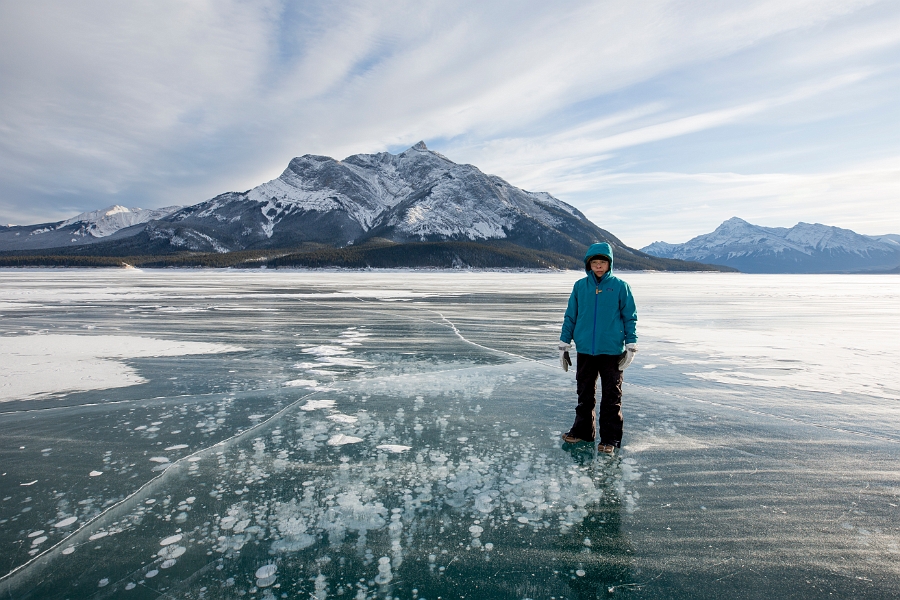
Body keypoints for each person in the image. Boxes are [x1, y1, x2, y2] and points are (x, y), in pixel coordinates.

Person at [558, 242, 638, 454]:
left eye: (603, 262)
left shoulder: (620, 286)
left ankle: (610, 438)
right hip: (585, 350)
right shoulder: (580, 287)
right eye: (595, 262)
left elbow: (629, 317)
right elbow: (570, 316)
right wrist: (564, 344)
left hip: (612, 351)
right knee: (584, 394)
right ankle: (583, 431)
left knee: (612, 396)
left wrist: (631, 345)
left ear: (609, 263)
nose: (599, 266)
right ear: (589, 264)